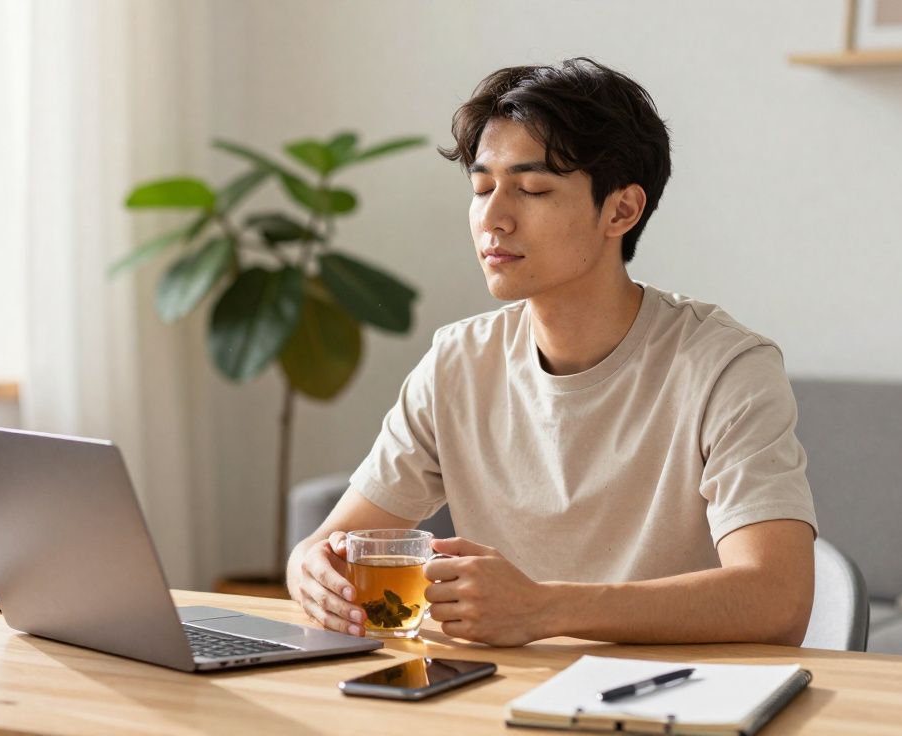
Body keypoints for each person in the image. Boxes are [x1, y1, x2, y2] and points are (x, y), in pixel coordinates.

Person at [285, 58, 818, 647]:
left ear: (621, 210)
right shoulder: (457, 362)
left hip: (672, 698)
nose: (493, 218)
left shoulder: (726, 368)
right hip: (497, 691)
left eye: (532, 189)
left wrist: (544, 609)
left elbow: (778, 598)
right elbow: (329, 543)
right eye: (482, 188)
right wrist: (309, 571)